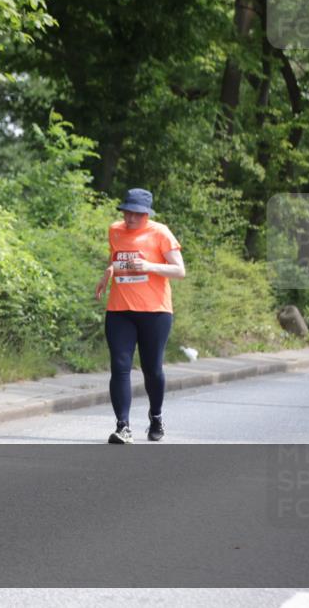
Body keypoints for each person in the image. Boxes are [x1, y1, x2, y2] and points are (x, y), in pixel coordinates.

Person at [94, 188, 185, 444]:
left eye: (137, 214)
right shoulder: (115, 230)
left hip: (155, 312)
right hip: (120, 310)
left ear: (147, 214)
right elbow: (118, 258)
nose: (131, 218)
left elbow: (179, 270)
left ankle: (156, 416)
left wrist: (149, 266)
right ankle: (123, 426)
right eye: (127, 212)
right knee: (119, 366)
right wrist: (109, 271)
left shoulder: (160, 232)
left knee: (152, 369)